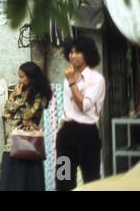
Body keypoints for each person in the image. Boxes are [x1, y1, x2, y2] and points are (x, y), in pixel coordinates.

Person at [56, 36, 106, 191]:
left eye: (77, 52)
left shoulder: (96, 79)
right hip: (66, 133)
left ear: (87, 54)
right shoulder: (68, 78)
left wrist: (72, 82)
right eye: (70, 52)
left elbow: (83, 105)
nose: (72, 55)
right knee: (63, 179)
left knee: (91, 180)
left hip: (87, 134)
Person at [0, 61, 52, 191]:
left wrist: (17, 99)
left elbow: (28, 114)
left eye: (22, 76)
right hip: (13, 141)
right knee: (10, 182)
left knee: (29, 182)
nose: (20, 80)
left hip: (30, 141)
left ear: (32, 77)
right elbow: (5, 113)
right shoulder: (19, 91)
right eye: (19, 76)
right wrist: (18, 122)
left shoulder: (40, 95)